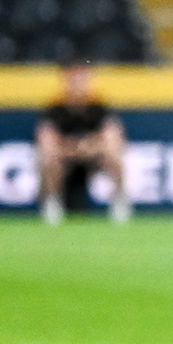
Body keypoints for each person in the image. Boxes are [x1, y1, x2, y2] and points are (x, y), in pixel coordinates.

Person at [36, 63, 131, 225]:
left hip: (94, 158)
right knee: (48, 160)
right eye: (74, 80)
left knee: (115, 156)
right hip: (66, 159)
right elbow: (47, 142)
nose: (78, 85)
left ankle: (119, 201)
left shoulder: (99, 108)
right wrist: (74, 149)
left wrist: (89, 147)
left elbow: (114, 138)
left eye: (82, 80)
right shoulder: (55, 110)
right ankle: (52, 205)